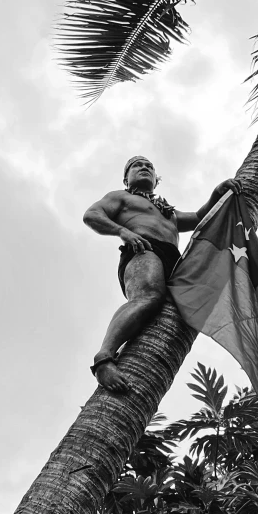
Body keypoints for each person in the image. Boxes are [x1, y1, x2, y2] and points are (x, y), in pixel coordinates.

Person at [83, 155, 239, 392]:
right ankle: (104, 357)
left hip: (172, 258)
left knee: (175, 308)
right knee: (149, 297)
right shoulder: (121, 197)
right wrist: (124, 232)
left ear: (156, 180)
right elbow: (92, 215)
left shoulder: (168, 212)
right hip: (143, 249)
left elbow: (199, 219)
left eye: (149, 166)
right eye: (137, 165)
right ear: (126, 178)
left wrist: (217, 193)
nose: (144, 168)